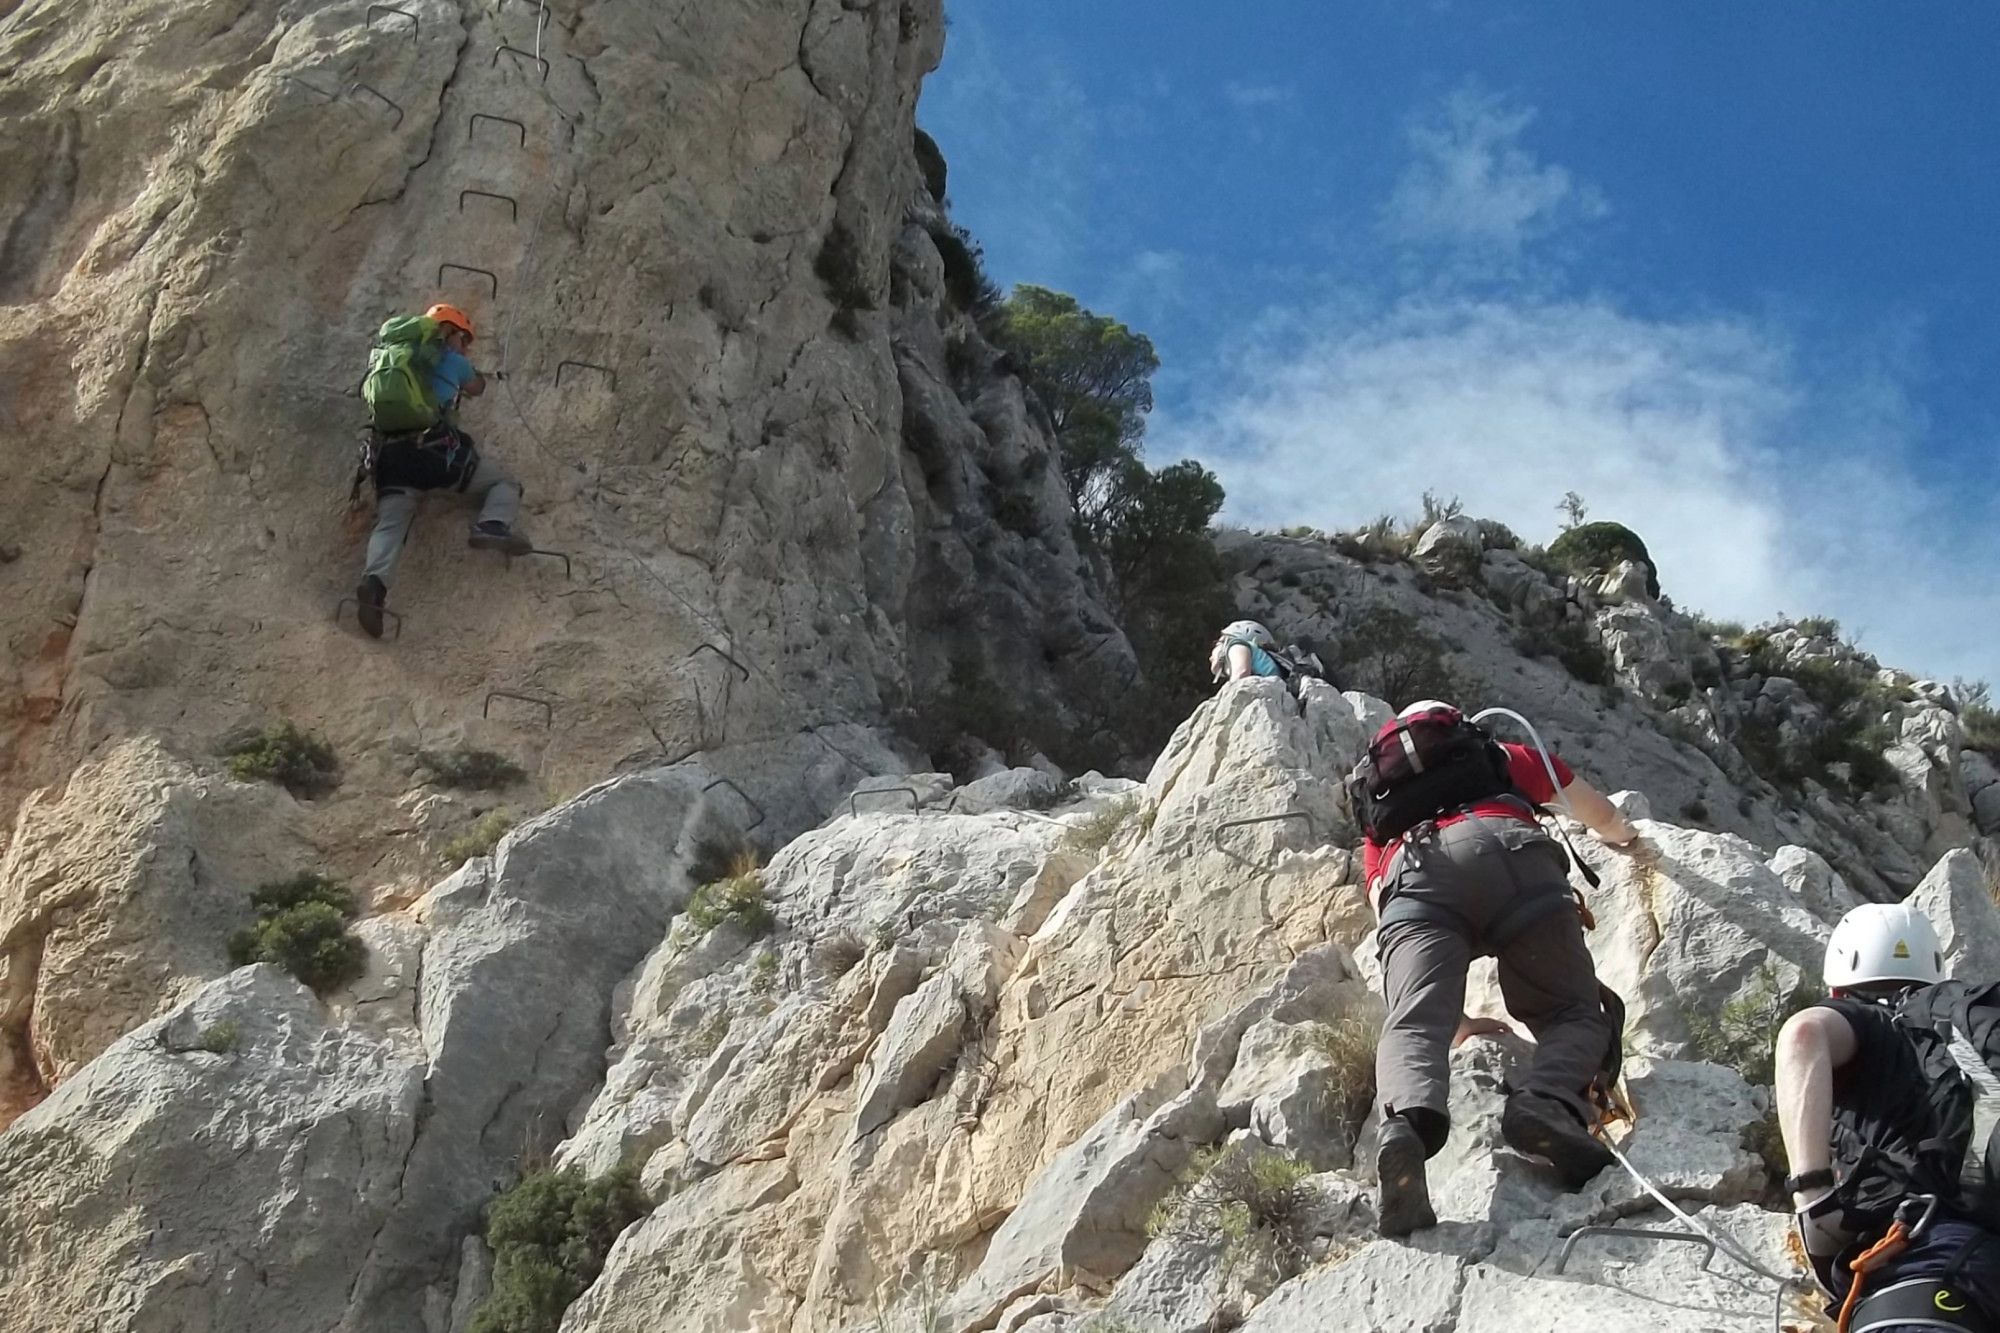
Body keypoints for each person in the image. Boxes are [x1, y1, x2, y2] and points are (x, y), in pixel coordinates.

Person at [1356, 699, 1642, 1237]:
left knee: (1415, 1023)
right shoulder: (1499, 756)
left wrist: (1457, 1021)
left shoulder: (1380, 814)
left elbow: (1386, 915)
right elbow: (1598, 813)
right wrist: (1626, 837)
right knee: (1573, 1013)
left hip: (1416, 877)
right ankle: (1547, 1103)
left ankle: (1405, 1130)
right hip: (1514, 859)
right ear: (1456, 726)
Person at [1776, 902, 2000, 1333]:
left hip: (1925, 1265)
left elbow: (1803, 1035)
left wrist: (1812, 1198)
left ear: (1839, 987)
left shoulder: (1865, 1020)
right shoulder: (1972, 1028)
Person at [354, 303, 531, 638]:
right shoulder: (453, 360)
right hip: (434, 453)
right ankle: (492, 524)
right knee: (503, 481)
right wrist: (473, 373)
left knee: (392, 522)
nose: (465, 346)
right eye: (463, 338)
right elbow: (477, 387)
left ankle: (373, 586)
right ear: (449, 332)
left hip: (389, 457)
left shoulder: (389, 357)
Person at [1209, 620, 1284, 684]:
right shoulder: (1259, 656)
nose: (1210, 658)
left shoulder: (1236, 645)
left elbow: (1242, 673)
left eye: (1217, 643)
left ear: (1225, 641)